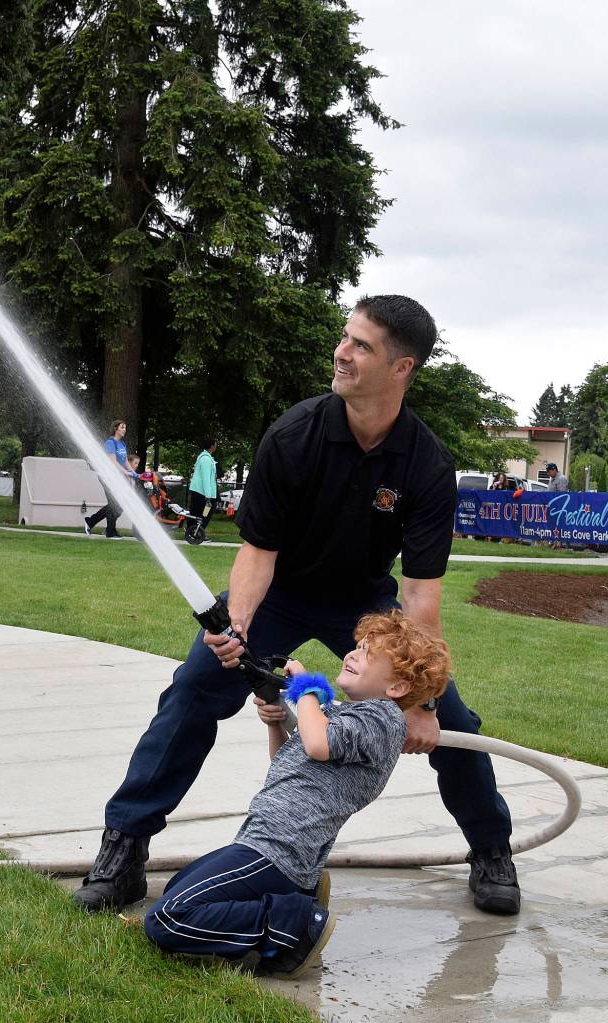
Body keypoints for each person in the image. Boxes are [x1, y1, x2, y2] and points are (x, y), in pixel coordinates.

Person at [72, 294, 521, 918]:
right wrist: (236, 631)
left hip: (365, 606)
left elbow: (419, 597)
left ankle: (491, 850)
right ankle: (124, 849)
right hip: (280, 590)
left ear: (402, 369)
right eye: (346, 337)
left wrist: (418, 702)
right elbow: (258, 553)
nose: (341, 351)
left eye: (362, 345)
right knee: (193, 692)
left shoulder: (425, 464)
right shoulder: (294, 435)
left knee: (453, 724)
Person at [144, 611, 450, 978]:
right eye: (356, 647)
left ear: (397, 688)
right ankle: (294, 900)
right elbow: (292, 761)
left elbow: (317, 745)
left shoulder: (382, 721)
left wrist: (307, 688)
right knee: (178, 891)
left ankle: (295, 923)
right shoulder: (352, 715)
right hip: (264, 843)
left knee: (168, 919)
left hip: (279, 850)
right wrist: (277, 724)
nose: (351, 655)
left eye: (367, 653)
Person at [84, 420, 137, 539]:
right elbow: (113, 461)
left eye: (125, 427)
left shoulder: (122, 444)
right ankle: (110, 531)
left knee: (117, 505)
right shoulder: (110, 443)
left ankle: (92, 522)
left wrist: (134, 473)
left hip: (117, 478)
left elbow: (125, 461)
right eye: (122, 427)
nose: (124, 429)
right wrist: (125, 472)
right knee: (114, 504)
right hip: (107, 477)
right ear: (115, 429)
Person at [186, 438, 218, 543]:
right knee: (201, 513)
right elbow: (205, 478)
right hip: (202, 492)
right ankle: (196, 533)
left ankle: (194, 532)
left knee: (198, 513)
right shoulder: (205, 459)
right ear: (212, 446)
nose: (216, 446)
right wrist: (208, 496)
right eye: (215, 444)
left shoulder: (207, 458)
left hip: (202, 491)